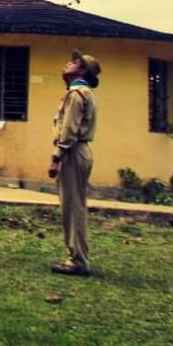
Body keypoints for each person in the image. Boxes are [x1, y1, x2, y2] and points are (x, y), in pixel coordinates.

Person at [47, 50, 101, 276]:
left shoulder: (76, 94)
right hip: (79, 151)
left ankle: (77, 259)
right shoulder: (82, 92)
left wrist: (56, 156)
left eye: (73, 63)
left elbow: (69, 130)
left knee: (73, 207)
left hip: (72, 152)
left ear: (81, 70)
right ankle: (76, 255)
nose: (66, 64)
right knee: (73, 204)